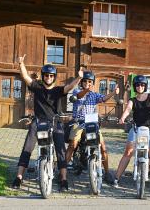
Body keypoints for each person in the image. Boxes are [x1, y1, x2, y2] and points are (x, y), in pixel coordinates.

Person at [11, 54, 83, 191]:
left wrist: (79, 78)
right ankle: (19, 177)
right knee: (27, 147)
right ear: (43, 76)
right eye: (46, 75)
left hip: (55, 122)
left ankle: (63, 179)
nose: (48, 77)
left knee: (61, 150)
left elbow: (70, 87)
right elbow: (26, 78)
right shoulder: (37, 87)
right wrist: (21, 64)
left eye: (51, 75)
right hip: (38, 122)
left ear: (54, 77)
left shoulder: (58, 90)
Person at [65, 70, 119, 183]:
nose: (87, 83)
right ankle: (62, 171)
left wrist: (114, 92)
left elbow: (104, 99)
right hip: (79, 122)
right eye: (85, 81)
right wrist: (86, 90)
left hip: (92, 123)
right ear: (82, 82)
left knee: (103, 147)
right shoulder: (77, 91)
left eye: (90, 82)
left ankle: (107, 172)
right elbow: (78, 96)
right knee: (72, 144)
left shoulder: (94, 95)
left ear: (92, 83)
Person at [114, 75, 150, 192]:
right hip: (136, 129)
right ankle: (116, 178)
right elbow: (128, 109)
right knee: (128, 152)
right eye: (137, 85)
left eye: (142, 85)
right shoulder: (133, 100)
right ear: (135, 87)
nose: (140, 87)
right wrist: (122, 118)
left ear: (145, 86)